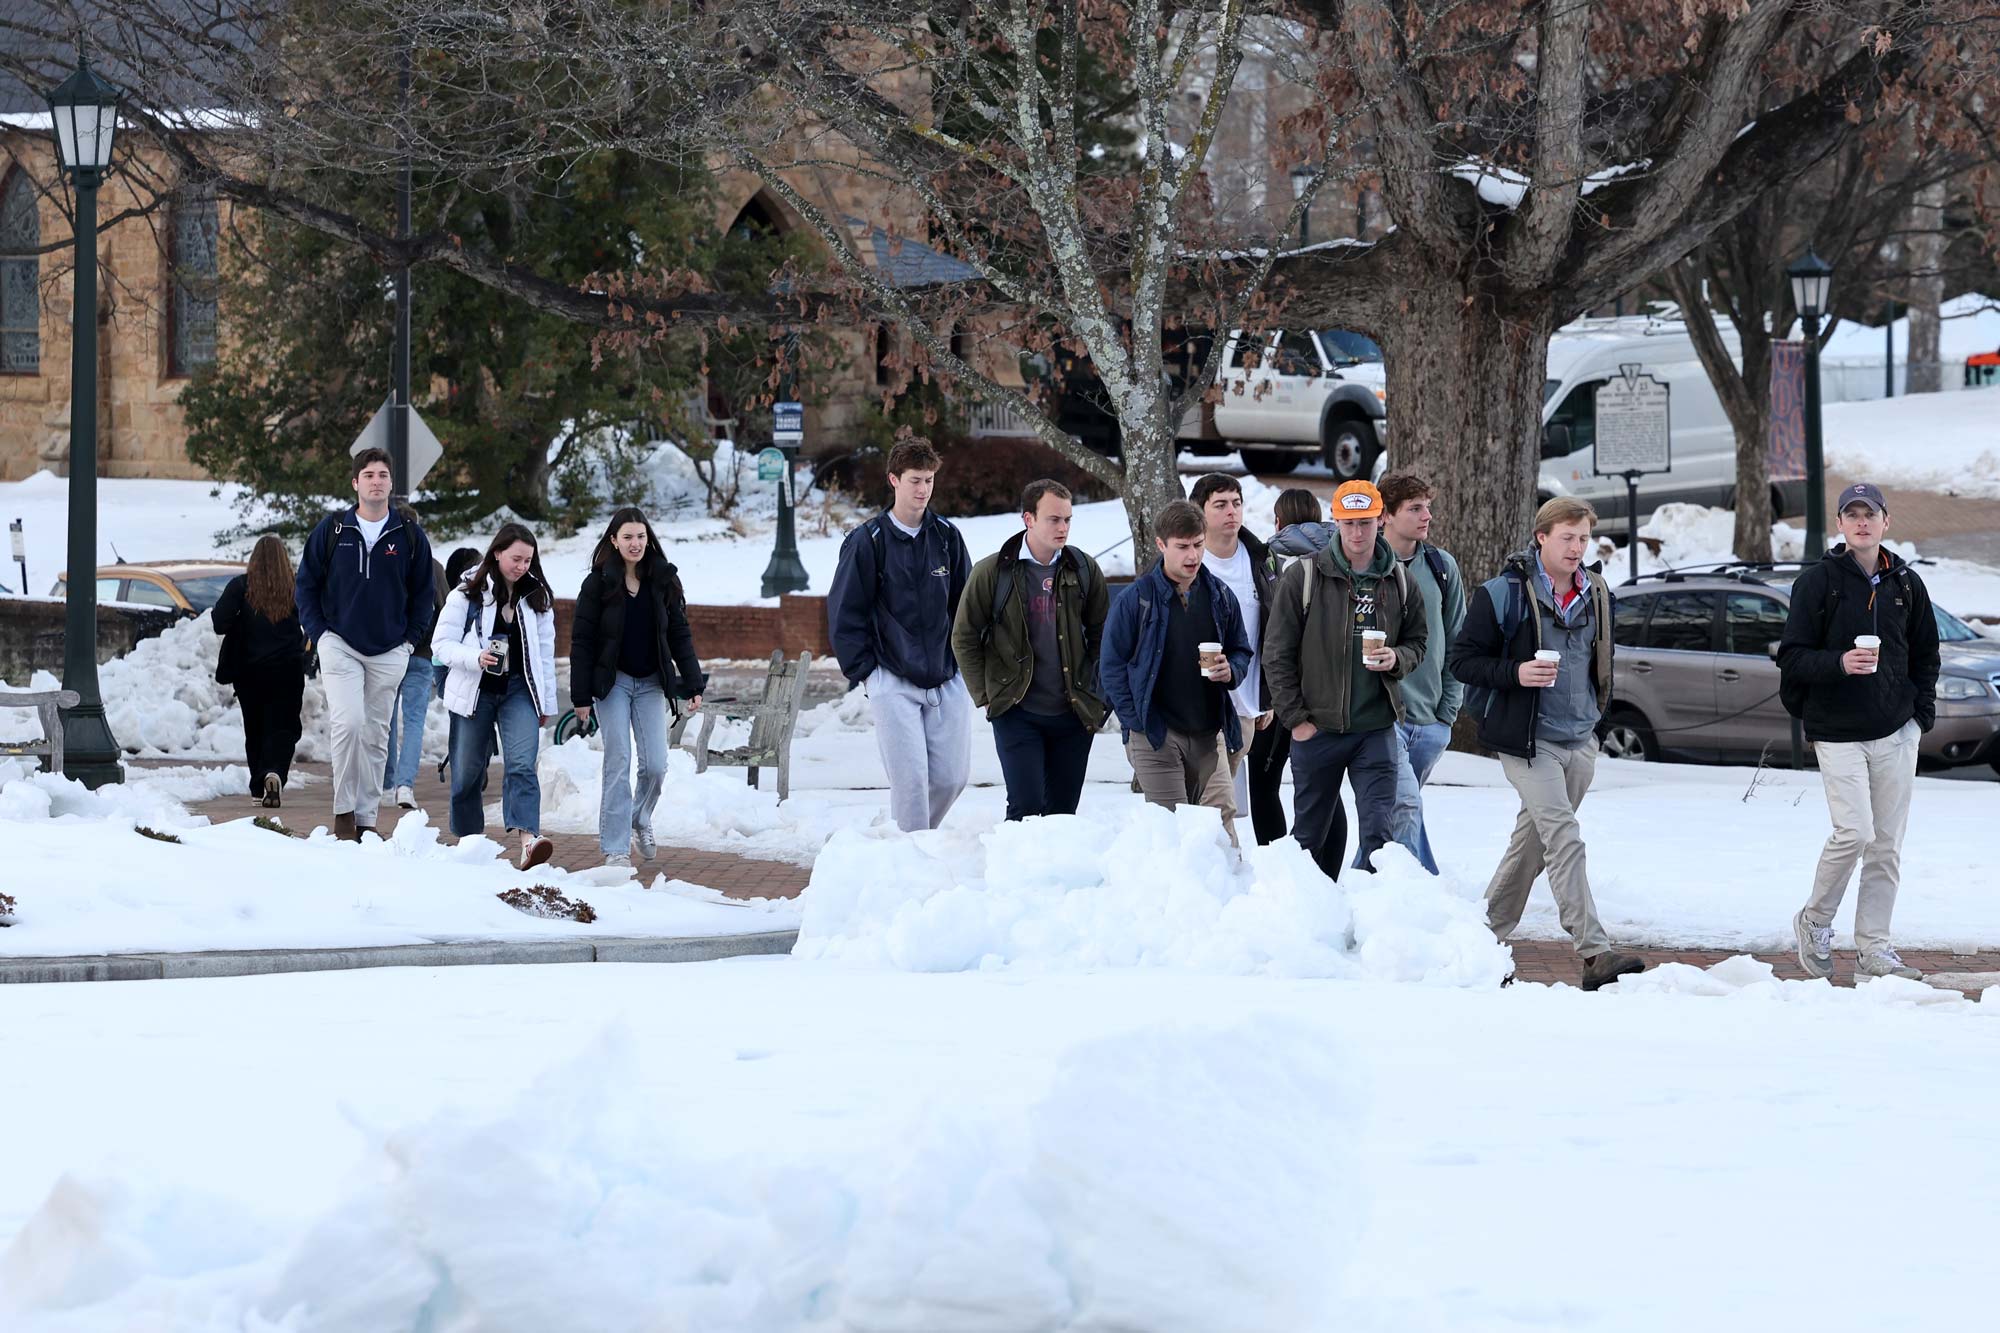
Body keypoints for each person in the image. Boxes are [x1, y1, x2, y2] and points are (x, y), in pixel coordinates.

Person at [1447, 497, 1646, 991]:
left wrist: (1596, 718)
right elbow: (1463, 661)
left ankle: (1482, 934)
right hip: (1527, 741)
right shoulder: (1501, 594)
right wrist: (1516, 672)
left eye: (1583, 539)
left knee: (1533, 841)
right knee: (1564, 837)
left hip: (1580, 739)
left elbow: (1602, 657)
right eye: (1567, 538)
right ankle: (1594, 951)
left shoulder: (1597, 591)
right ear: (1541, 537)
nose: (1577, 548)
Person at [1780, 482, 1940, 982]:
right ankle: (1815, 920)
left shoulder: (1907, 584)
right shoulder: (1818, 582)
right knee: (1855, 832)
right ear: (1842, 526)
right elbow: (1792, 657)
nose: (1862, 522)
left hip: (1896, 731)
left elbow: (1927, 654)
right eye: (1852, 514)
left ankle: (1875, 949)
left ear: (1886, 522)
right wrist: (1840, 664)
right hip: (1838, 732)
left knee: (1886, 845)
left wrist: (1920, 715)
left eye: (1870, 513)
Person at [1262, 480, 1424, 881]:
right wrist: (1297, 720)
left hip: (1376, 730)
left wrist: (1397, 658)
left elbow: (1418, 642)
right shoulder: (1304, 576)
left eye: (1365, 523)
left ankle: (1370, 928)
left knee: (1380, 839)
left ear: (1381, 520)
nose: (1357, 533)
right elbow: (1276, 654)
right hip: (1317, 730)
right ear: (1336, 521)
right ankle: (1300, 922)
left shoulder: (1399, 579)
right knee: (1308, 837)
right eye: (1349, 523)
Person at [827, 434, 974, 832]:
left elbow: (967, 607)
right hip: (892, 677)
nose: (923, 489)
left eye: (928, 479)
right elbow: (844, 612)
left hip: (945, 677)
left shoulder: (947, 537)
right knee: (910, 785)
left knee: (951, 778)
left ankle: (908, 845)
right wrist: (868, 673)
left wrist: (965, 666)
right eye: (915, 479)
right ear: (893, 480)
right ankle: (912, 860)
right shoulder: (867, 541)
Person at [295, 447, 436, 840]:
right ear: (356, 483)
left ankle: (367, 819)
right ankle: (343, 812)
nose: (376, 481)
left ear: (391, 484)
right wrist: (320, 634)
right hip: (339, 643)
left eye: (383, 475)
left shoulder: (408, 534)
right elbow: (305, 585)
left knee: (376, 734)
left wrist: (409, 642)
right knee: (349, 723)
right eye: (369, 475)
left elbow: (424, 594)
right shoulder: (333, 530)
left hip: (391, 649)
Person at [950, 479, 1110, 821]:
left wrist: (1098, 692)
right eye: (1054, 519)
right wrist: (986, 695)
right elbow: (963, 637)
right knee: (1025, 807)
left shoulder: (1083, 569)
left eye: (1068, 519)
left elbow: (1103, 634)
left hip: (1073, 712)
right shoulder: (993, 572)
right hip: (1017, 710)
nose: (1063, 527)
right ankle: (1014, 874)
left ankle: (1057, 875)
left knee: (1063, 814)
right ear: (1029, 519)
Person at [569, 508, 706, 867]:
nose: (635, 543)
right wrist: (581, 695)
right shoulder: (597, 584)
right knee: (618, 760)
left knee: (656, 765)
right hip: (611, 684)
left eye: (641, 536)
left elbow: (679, 634)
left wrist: (692, 681)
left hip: (650, 684)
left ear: (649, 539)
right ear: (613, 540)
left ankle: (640, 817)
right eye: (628, 537)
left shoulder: (663, 581)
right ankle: (615, 850)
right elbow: (581, 641)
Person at [1100, 499, 1252, 817]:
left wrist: (1232, 669)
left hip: (1210, 731)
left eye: (1198, 544)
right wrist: (1137, 723)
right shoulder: (1135, 600)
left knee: (1220, 825)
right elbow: (1111, 667)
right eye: (1182, 546)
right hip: (1156, 733)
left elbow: (1241, 649)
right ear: (1161, 544)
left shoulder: (1219, 595)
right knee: (1173, 829)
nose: (1193, 555)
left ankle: (1229, 869)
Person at [432, 522, 559, 870]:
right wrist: (476, 658)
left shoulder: (537, 599)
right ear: (498, 553)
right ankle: (469, 844)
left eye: (528, 560)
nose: (522, 566)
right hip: (476, 690)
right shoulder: (466, 593)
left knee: (521, 764)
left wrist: (546, 702)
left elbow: (545, 654)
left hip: (520, 690)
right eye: (516, 558)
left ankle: (528, 839)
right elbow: (440, 646)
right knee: (467, 773)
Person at [1368, 472, 1466, 874]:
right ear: (1386, 516)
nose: (1427, 516)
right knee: (1406, 804)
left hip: (1431, 720)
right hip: (1380, 715)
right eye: (1415, 508)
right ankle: (1420, 895)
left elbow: (1459, 638)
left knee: (1392, 817)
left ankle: (1361, 889)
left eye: (1428, 507)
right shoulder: (1366, 566)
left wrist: (1448, 712)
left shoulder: (1441, 566)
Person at [1191, 473, 1279, 846]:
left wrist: (1267, 698)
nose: (1232, 512)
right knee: (1216, 799)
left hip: (1245, 700)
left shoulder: (1259, 558)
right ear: (1200, 511)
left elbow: (1272, 630)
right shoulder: (1192, 560)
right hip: (1197, 701)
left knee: (1219, 796)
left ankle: (1212, 868)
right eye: (1221, 504)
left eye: (1237, 503)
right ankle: (1226, 866)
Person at [212, 534, 307, 809]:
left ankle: (258, 787)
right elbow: (312, 620)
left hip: (249, 671)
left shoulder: (240, 587)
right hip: (287, 669)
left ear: (254, 560)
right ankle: (275, 771)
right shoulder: (295, 588)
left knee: (255, 729)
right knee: (285, 727)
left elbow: (219, 623)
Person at [384, 530, 449, 811]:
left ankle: (386, 780)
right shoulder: (433, 567)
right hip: (422, 654)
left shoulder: (386, 562)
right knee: (413, 723)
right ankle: (404, 785)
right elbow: (446, 609)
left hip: (387, 651)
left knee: (385, 718)